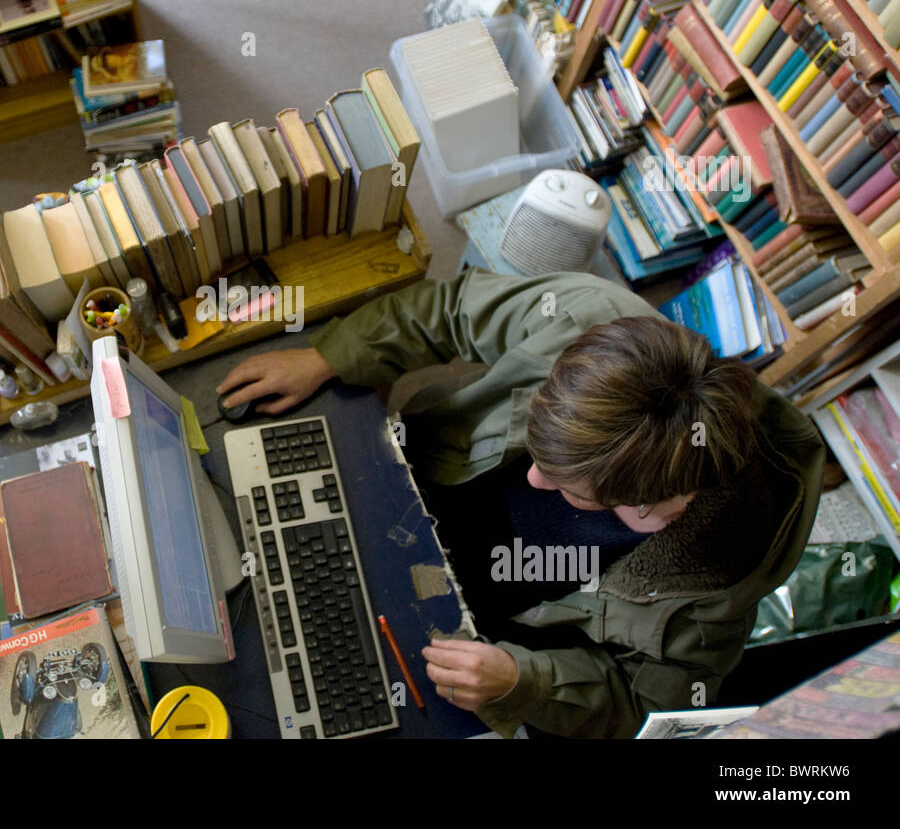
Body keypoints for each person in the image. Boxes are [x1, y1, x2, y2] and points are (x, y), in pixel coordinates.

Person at [215, 268, 825, 738]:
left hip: (475, 629)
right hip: (412, 482)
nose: (532, 480)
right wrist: (332, 355)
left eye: (570, 489)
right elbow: (452, 309)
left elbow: (641, 707)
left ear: (661, 507)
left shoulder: (716, 582)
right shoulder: (595, 324)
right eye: (541, 453)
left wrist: (524, 681)